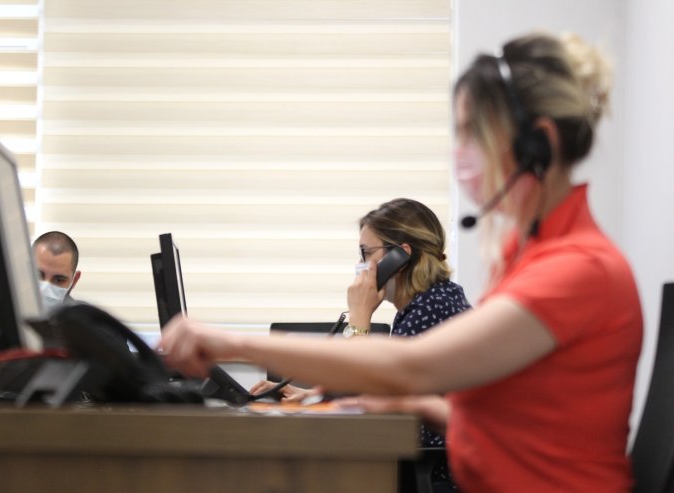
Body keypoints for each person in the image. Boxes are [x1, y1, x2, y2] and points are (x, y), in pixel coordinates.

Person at [160, 31, 643, 493]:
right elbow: (519, 427)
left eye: (474, 135)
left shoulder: (576, 271)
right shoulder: (534, 260)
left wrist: (228, 341)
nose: (462, 155)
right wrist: (413, 404)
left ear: (538, 145)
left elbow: (413, 364)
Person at [250, 198, 471, 490]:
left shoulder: (432, 309)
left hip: (430, 474)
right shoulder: (433, 301)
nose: (360, 265)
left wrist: (360, 317)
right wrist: (311, 397)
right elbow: (379, 389)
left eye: (366, 253)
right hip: (415, 463)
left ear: (400, 256)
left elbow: (374, 403)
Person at [0, 230, 82, 321]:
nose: (46, 287)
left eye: (58, 280)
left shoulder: (84, 330)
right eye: (38, 275)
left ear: (74, 280)